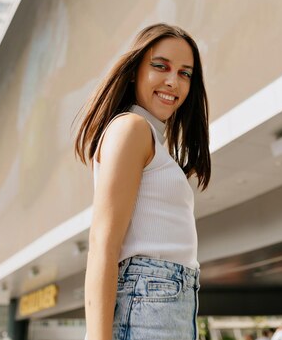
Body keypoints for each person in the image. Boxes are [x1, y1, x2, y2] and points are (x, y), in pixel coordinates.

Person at [75, 23, 211, 340]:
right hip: (148, 303)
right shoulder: (131, 128)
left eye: (185, 73)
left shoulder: (153, 141)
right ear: (135, 70)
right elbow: (102, 246)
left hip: (167, 301)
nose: (172, 81)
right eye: (160, 66)